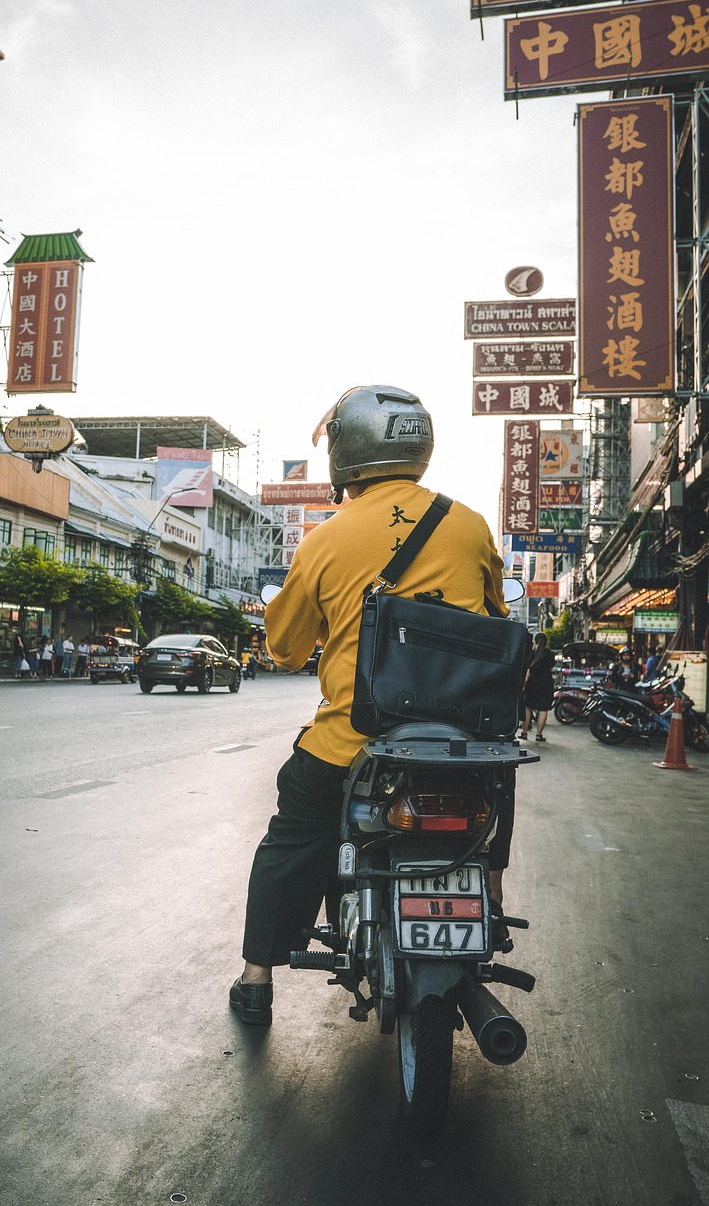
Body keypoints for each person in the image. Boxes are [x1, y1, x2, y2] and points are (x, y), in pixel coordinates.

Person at [230, 384, 511, 1025]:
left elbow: (282, 646)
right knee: (491, 810)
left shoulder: (324, 541)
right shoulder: (468, 525)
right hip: (462, 744)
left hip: (352, 745)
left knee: (292, 837)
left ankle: (256, 978)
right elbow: (496, 617)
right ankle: (490, 884)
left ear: (344, 456)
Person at [520, 632, 555, 742]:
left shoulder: (532, 653)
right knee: (543, 710)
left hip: (532, 684)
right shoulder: (550, 654)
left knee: (528, 708)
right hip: (546, 684)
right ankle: (539, 735)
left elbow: (527, 671)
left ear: (535, 641)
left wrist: (524, 685)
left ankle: (524, 733)